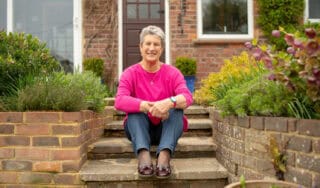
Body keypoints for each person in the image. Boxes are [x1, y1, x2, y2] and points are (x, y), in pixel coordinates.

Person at [114, 25, 193, 179]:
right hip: (140, 130)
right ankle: (143, 155)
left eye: (156, 44)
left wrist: (169, 102)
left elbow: (187, 97)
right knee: (134, 112)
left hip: (166, 129)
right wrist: (145, 106)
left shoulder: (172, 73)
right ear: (141, 47)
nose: (151, 48)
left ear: (161, 48)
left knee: (176, 110)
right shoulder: (130, 73)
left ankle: (164, 156)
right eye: (148, 44)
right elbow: (119, 100)